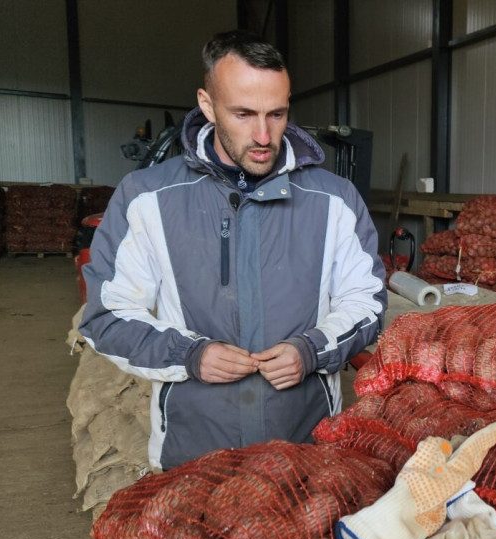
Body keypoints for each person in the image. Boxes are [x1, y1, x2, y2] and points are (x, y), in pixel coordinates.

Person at [79, 30, 387, 470]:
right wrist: (190, 355)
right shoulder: (146, 197)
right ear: (207, 105)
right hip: (193, 452)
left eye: (277, 114)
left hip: (308, 450)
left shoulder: (335, 200)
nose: (263, 135)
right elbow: (107, 317)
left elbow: (367, 304)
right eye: (243, 114)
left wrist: (310, 350)